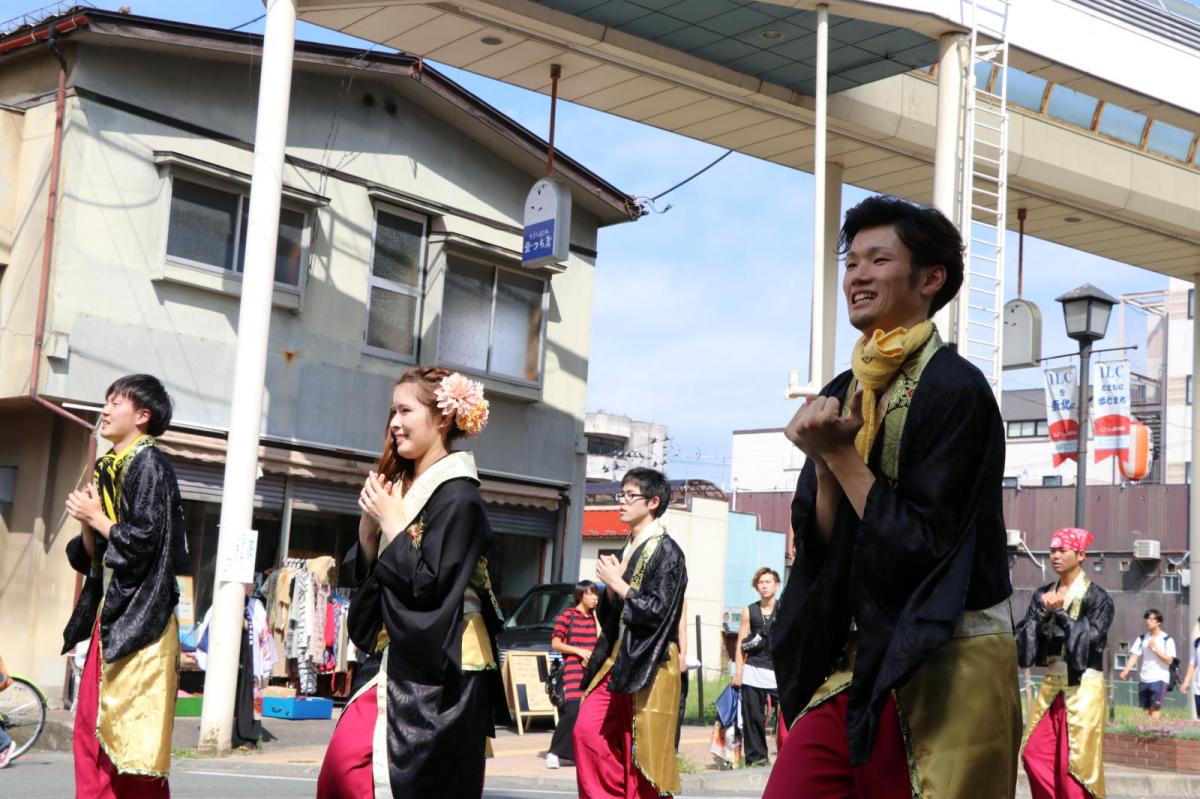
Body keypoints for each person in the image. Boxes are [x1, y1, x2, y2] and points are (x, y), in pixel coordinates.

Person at [766, 195, 1021, 799]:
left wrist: (841, 456)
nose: (856, 275)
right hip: (863, 655)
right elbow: (821, 548)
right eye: (851, 261)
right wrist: (828, 467)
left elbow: (927, 548)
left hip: (953, 655)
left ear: (931, 278)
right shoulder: (840, 388)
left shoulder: (958, 389)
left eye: (878, 259)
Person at [316, 368, 506, 799]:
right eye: (392, 411)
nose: (394, 422)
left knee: (407, 783)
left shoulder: (461, 496)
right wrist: (368, 537)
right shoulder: (406, 487)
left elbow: (434, 588)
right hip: (398, 654)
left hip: (442, 664)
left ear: (442, 418)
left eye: (405, 410)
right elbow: (385, 579)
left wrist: (392, 525)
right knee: (343, 773)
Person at [60, 374, 189, 798]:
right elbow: (94, 555)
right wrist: (88, 524)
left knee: (128, 741)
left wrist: (98, 519)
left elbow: (146, 544)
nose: (106, 409)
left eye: (116, 402)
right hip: (113, 615)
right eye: (106, 401)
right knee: (93, 730)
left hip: (141, 623)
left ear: (142, 416)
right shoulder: (110, 465)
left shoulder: (149, 463)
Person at [574, 468, 688, 799]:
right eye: (620, 494)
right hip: (618, 659)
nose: (620, 502)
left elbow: (658, 611)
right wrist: (612, 590)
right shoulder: (630, 544)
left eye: (629, 495)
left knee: (641, 756)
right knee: (588, 733)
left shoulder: (667, 551)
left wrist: (618, 585)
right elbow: (615, 614)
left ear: (653, 502)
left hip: (650, 665)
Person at [1016, 528, 1114, 799]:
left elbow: (1091, 639)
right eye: (1052, 550)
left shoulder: (1098, 598)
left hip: (1083, 686)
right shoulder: (1042, 594)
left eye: (1063, 550)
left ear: (1080, 555)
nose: (1055, 555)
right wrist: (1041, 615)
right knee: (1035, 754)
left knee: (1073, 766)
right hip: (1051, 685)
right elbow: (1023, 640)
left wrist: (1059, 613)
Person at [733, 567, 786, 767]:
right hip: (753, 670)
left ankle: (788, 756)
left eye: (768, 582)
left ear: (777, 585)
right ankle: (757, 759)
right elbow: (740, 642)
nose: (764, 586)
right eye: (761, 582)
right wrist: (738, 671)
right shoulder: (750, 610)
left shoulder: (785, 608)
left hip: (778, 672)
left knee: (789, 715)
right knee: (753, 718)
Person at [546, 580, 600, 768]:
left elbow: (601, 639)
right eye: (591, 594)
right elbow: (555, 643)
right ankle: (554, 752)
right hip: (574, 670)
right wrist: (578, 651)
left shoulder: (595, 618)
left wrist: (597, 617)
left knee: (588, 714)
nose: (595, 598)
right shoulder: (567, 616)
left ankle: (573, 754)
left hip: (593, 673)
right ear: (580, 595)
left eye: (596, 594)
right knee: (571, 711)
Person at [1121, 608, 1176, 720]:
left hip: (1160, 679)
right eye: (1147, 619)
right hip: (1144, 679)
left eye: (1151, 619)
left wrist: (1155, 649)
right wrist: (1126, 670)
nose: (1148, 621)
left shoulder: (1167, 639)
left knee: (1155, 709)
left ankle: (1153, 734)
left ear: (1158, 622)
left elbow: (1170, 660)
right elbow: (1134, 656)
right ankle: (1146, 734)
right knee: (1145, 711)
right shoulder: (1142, 638)